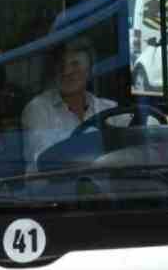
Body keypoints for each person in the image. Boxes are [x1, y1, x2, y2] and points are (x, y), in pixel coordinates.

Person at [21, 37, 118, 171]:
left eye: (75, 65)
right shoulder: (38, 109)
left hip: (110, 191)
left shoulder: (110, 109)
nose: (67, 72)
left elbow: (137, 149)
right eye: (61, 65)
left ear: (89, 71)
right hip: (55, 191)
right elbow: (46, 159)